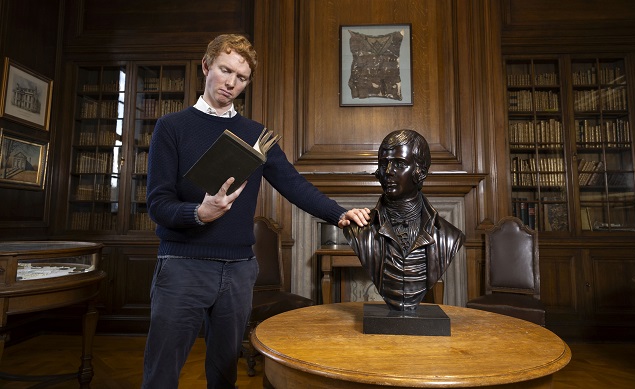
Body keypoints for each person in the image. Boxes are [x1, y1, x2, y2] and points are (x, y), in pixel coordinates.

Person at [143, 34, 370, 389]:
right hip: (182, 266)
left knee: (223, 375)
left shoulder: (256, 135)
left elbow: (293, 184)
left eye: (242, 77)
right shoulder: (171, 127)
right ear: (206, 66)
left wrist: (338, 213)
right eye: (225, 70)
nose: (231, 83)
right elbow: (157, 204)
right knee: (161, 374)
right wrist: (198, 213)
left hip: (238, 271)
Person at [343, 129, 465, 312]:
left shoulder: (448, 236)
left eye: (399, 164)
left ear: (420, 172)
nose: (388, 172)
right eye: (384, 164)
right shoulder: (360, 230)